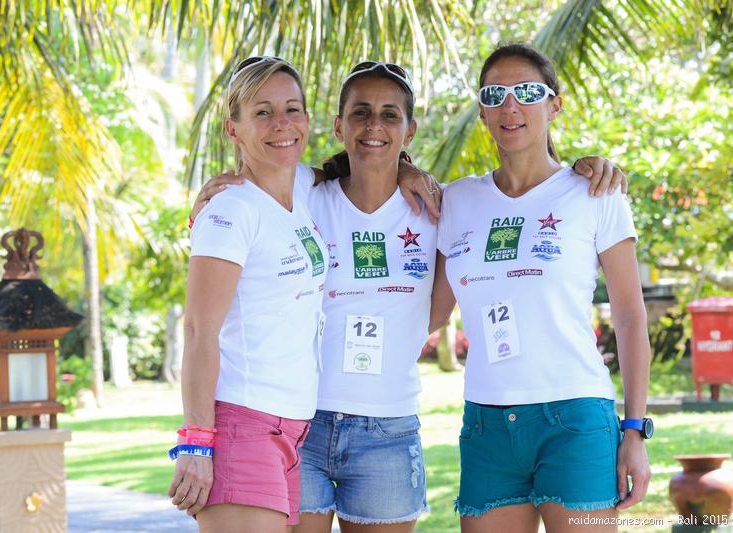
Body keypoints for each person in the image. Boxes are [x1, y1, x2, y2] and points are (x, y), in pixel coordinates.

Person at [192, 57, 627, 533]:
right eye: (360, 113)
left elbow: (435, 312)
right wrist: (212, 199)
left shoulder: (436, 207)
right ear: (338, 126)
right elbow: (252, 195)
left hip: (389, 428)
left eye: (390, 115)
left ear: (410, 130)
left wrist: (588, 166)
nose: (373, 126)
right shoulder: (304, 193)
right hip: (306, 422)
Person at [434, 43, 651, 533]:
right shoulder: (456, 201)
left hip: (575, 418)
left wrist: (635, 430)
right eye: (495, 95)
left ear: (555, 104)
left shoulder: (595, 192)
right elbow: (429, 313)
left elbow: (630, 317)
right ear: (482, 111)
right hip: (486, 424)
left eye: (528, 92)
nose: (510, 106)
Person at [168, 56, 328, 533]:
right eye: (262, 112)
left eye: (292, 109)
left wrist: (406, 170)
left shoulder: (301, 189)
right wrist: (196, 442)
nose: (282, 124)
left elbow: (353, 169)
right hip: (244, 424)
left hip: (292, 430)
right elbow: (197, 331)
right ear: (232, 129)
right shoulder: (231, 210)